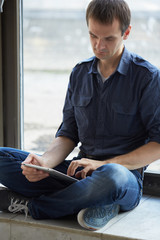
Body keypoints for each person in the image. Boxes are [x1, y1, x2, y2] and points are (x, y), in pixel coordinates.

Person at [0, 0, 160, 231]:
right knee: (3, 157)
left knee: (110, 178)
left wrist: (102, 164)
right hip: (76, 174)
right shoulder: (79, 73)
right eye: (93, 36)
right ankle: (91, 203)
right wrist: (44, 163)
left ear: (126, 32)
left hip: (122, 178)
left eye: (108, 38)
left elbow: (157, 144)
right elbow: (68, 133)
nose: (99, 46)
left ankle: (33, 206)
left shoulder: (147, 77)